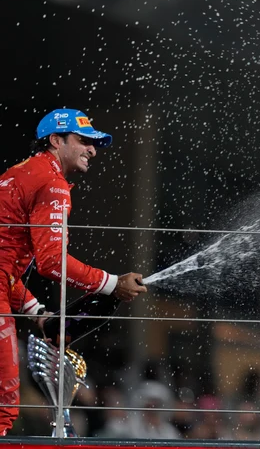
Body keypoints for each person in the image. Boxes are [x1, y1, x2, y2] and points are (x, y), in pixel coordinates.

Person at [0, 107, 147, 435]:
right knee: (5, 404)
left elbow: (4, 268)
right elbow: (52, 263)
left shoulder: (22, 172)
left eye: (94, 142)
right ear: (55, 140)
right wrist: (112, 283)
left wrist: (34, 310)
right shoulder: (51, 182)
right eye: (83, 140)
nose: (93, 149)